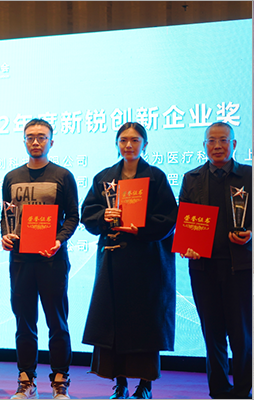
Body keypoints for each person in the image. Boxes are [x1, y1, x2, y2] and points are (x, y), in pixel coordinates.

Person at [80, 122, 177, 399]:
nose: (129, 145)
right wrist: (103, 217)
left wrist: (141, 227)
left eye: (135, 140)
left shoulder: (155, 177)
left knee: (146, 324)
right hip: (113, 261)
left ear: (145, 144)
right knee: (113, 323)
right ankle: (120, 383)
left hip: (147, 263)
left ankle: (145, 385)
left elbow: (169, 218)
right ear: (117, 144)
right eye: (123, 140)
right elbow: (88, 213)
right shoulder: (104, 178)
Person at [1, 118, 79, 400]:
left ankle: (60, 381)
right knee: (24, 322)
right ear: (24, 141)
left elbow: (73, 216)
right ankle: (26, 381)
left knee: (57, 322)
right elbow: (6, 215)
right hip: (21, 260)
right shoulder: (12, 177)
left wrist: (59, 240)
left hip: (51, 260)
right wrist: (6, 235)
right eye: (30, 137)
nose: (36, 141)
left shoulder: (63, 175)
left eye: (42, 137)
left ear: (51, 142)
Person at [179, 122, 252, 399]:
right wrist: (186, 245)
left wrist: (251, 235)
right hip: (203, 268)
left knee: (242, 334)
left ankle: (243, 391)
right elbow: (184, 218)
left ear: (234, 144)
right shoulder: (192, 178)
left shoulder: (249, 176)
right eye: (212, 141)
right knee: (212, 333)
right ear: (204, 145)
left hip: (240, 267)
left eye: (223, 140)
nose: (217, 146)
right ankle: (219, 391)